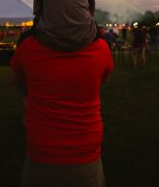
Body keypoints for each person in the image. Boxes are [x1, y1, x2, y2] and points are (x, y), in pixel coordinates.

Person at [10, 35, 114, 187]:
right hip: (85, 148)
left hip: (42, 149)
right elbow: (106, 78)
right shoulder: (101, 48)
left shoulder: (29, 46)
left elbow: (13, 79)